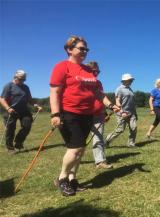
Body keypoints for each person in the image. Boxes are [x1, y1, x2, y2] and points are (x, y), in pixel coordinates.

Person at [50, 35, 119, 196]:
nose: (84, 52)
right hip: (69, 113)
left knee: (80, 150)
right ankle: (62, 179)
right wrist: (55, 114)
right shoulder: (62, 66)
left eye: (86, 49)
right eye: (81, 48)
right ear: (69, 49)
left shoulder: (88, 71)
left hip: (87, 114)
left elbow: (98, 93)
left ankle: (73, 180)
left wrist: (112, 105)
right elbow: (55, 91)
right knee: (76, 148)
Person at [0, 70, 42, 154]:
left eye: (23, 80)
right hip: (11, 111)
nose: (22, 81)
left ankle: (18, 143)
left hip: (24, 110)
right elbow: (2, 99)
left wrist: (36, 105)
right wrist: (8, 108)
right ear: (15, 77)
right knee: (10, 129)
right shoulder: (8, 86)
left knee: (27, 125)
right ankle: (10, 148)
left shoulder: (26, 87)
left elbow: (30, 99)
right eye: (20, 79)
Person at [86, 61, 116, 169]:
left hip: (98, 114)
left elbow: (101, 97)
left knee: (98, 137)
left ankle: (100, 161)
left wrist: (105, 112)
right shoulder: (81, 82)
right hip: (84, 114)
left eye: (98, 71)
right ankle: (72, 162)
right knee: (78, 142)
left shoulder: (98, 83)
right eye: (94, 71)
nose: (97, 73)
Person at [105, 73, 137, 148]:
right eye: (130, 80)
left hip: (131, 113)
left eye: (131, 80)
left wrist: (135, 113)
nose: (131, 81)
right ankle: (106, 141)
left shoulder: (130, 89)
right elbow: (117, 101)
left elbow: (132, 102)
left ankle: (131, 143)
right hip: (122, 112)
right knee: (120, 129)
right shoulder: (119, 89)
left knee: (134, 127)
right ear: (124, 80)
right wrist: (122, 112)